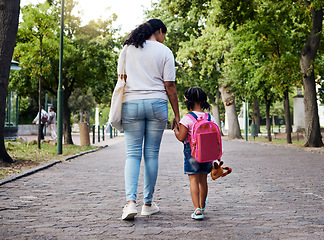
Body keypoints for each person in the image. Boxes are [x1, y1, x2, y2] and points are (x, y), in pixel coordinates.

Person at [119, 19, 180, 220]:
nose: (164, 38)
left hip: (132, 104)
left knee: (132, 155)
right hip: (157, 104)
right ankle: (147, 204)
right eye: (164, 34)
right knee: (151, 155)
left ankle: (130, 204)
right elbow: (169, 85)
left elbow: (122, 80)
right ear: (159, 31)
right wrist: (177, 114)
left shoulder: (127, 50)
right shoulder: (165, 52)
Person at [173, 87, 217, 220]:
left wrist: (175, 129)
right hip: (207, 153)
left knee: (193, 179)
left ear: (188, 102)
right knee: (203, 180)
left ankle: (197, 209)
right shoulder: (210, 117)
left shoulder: (187, 118)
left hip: (191, 152)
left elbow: (181, 137)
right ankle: (202, 207)